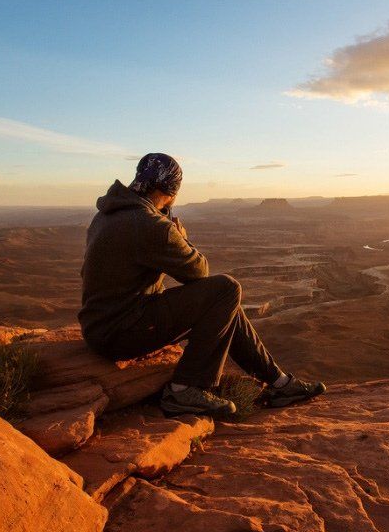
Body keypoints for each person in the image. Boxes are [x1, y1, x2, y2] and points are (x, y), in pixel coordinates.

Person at [78, 153, 326, 417]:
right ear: (172, 191)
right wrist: (180, 236)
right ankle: (185, 389)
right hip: (121, 331)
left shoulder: (107, 215)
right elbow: (198, 272)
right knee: (226, 289)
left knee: (225, 303)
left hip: (100, 326)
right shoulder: (150, 225)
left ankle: (279, 383)